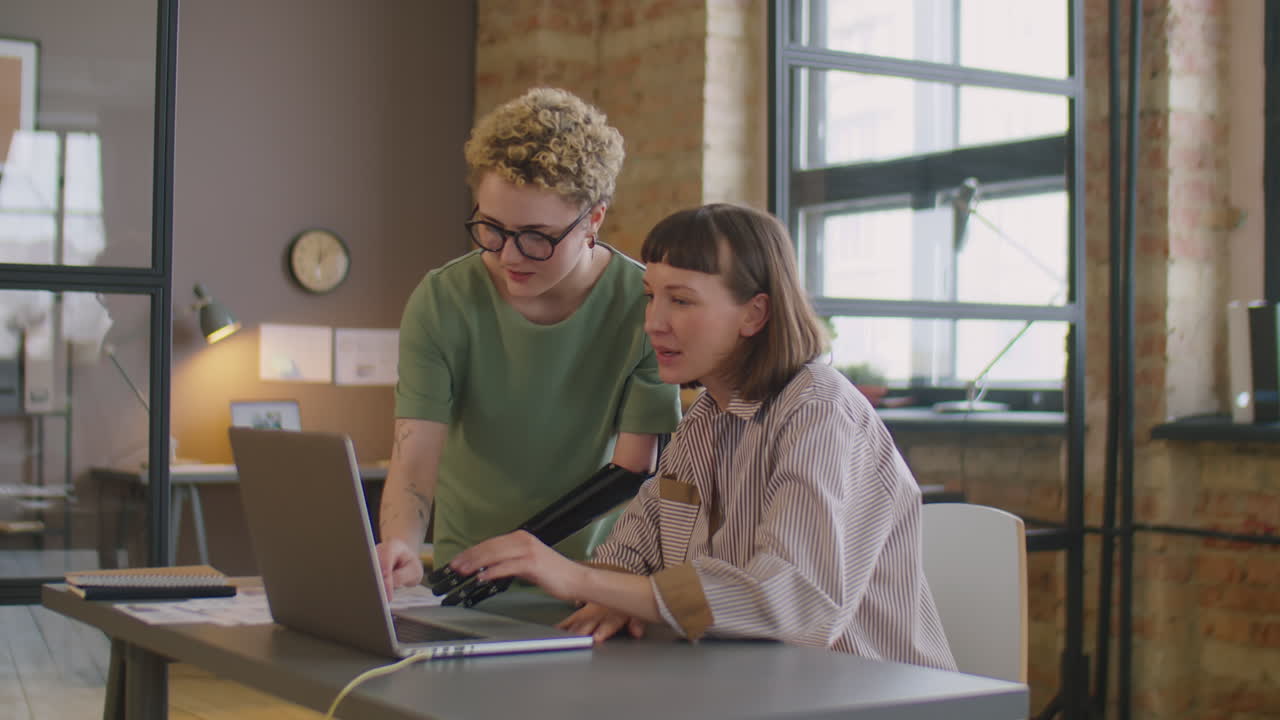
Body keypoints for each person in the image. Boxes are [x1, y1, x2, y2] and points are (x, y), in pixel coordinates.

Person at [447, 203, 957, 670]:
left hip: (870, 694)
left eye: (682, 301)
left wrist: (577, 578)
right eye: (651, 297)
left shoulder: (820, 412)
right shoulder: (706, 417)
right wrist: (610, 593)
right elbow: (634, 550)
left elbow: (793, 603)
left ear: (754, 314)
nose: (654, 323)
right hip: (760, 686)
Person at [376, 88, 681, 596]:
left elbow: (632, 469)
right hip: (464, 583)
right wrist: (400, 544)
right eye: (492, 229)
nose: (508, 256)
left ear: (594, 220)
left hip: (598, 584)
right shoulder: (442, 300)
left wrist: (525, 552)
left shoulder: (644, 304)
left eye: (537, 236)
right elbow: (414, 456)